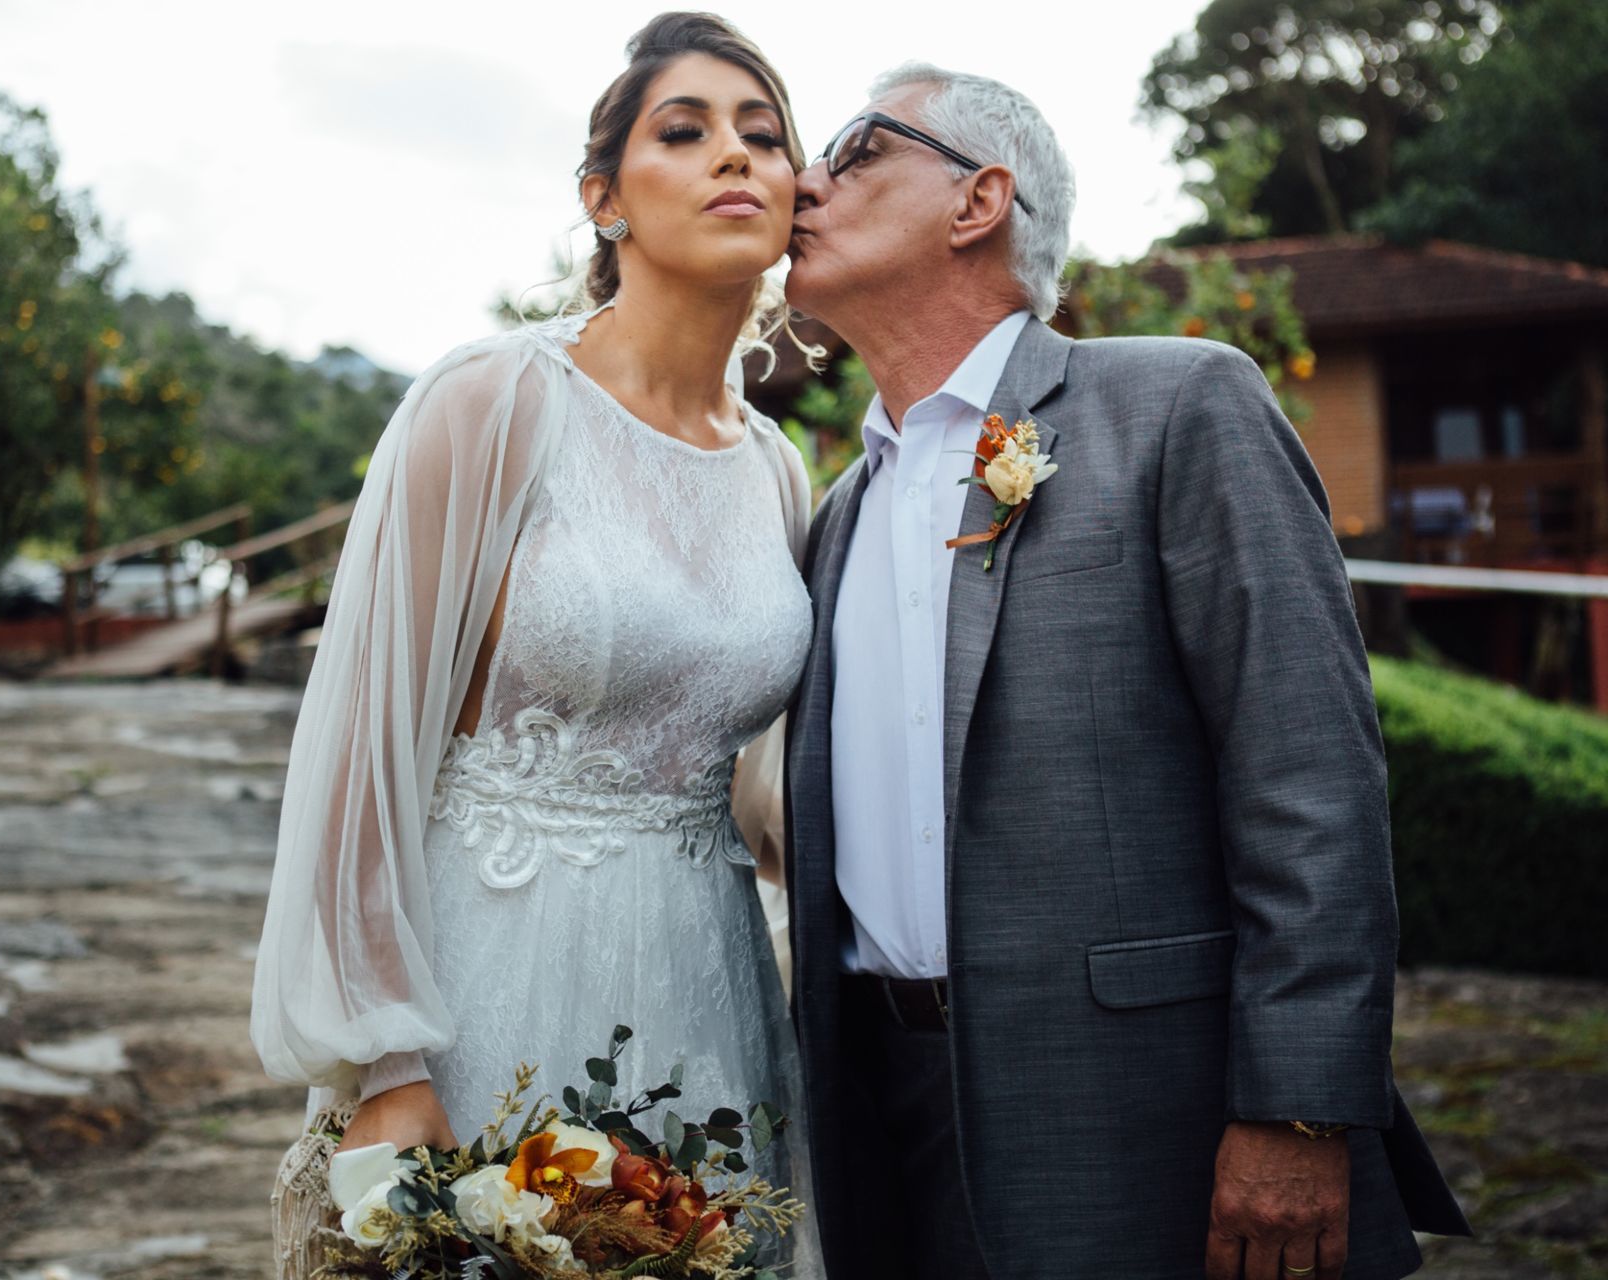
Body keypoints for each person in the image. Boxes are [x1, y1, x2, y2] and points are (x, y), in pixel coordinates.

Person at [780, 63, 1472, 1279]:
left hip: (1150, 1114)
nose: (802, 180)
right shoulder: (836, 513)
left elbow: (1307, 772)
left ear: (978, 199)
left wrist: (1299, 1107)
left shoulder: (1178, 406)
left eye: (855, 149)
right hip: (889, 1124)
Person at [250, 13, 819, 1277]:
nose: (735, 155)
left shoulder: (781, 472)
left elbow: (765, 786)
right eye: (686, 131)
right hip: (483, 989)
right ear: (603, 197)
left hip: (708, 993)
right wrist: (388, 1064)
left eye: (765, 135)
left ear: (795, 198)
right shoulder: (491, 403)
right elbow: (360, 751)